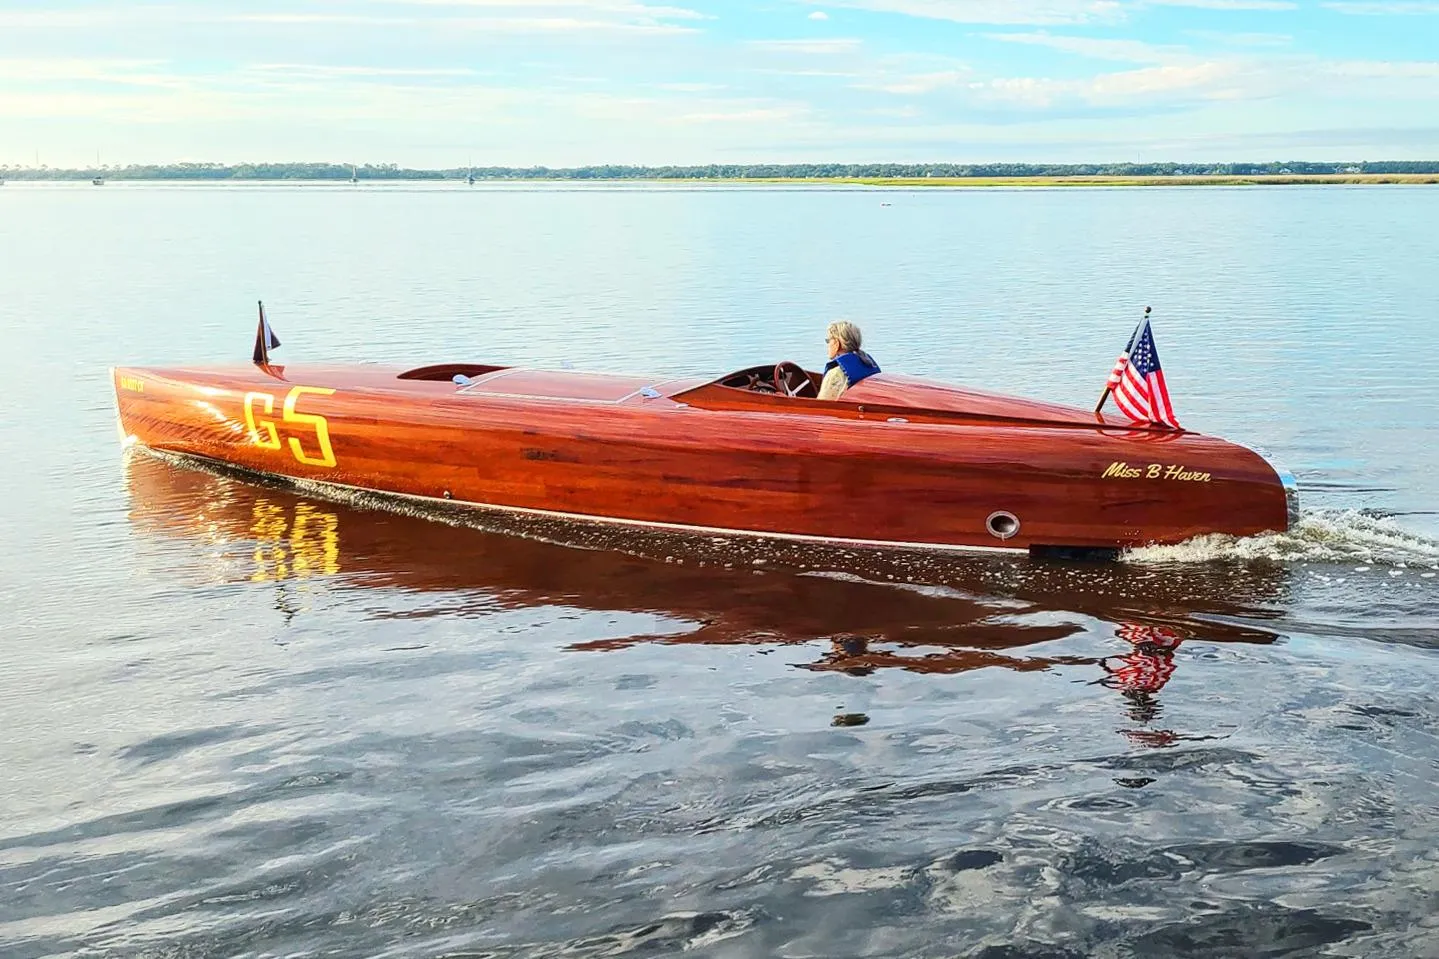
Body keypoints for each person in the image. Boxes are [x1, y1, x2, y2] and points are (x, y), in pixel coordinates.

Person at [818, 320, 881, 400]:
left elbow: (822, 404)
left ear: (836, 343)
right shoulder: (868, 364)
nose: (828, 345)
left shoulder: (835, 374)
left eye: (828, 341)